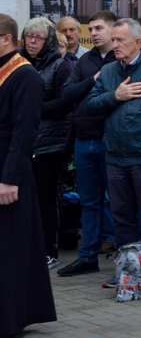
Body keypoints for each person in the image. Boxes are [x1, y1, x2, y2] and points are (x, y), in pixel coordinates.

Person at [82, 20, 141, 253]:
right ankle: (128, 273)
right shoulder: (108, 71)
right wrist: (116, 95)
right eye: (113, 40)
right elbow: (90, 106)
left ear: (138, 42)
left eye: (120, 40)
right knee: (122, 216)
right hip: (115, 157)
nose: (114, 45)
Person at [0, 13, 57, 338]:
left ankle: (10, 318)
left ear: (6, 39)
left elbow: (24, 133)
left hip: (11, 173)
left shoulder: (25, 77)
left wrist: (10, 178)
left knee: (10, 248)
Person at [57, 11, 118, 278]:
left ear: (113, 29)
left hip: (112, 141)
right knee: (89, 201)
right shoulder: (85, 60)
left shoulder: (122, 59)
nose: (93, 33)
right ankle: (87, 256)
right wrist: (92, 80)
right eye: (91, 29)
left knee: (117, 201)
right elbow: (67, 93)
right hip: (85, 140)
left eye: (99, 28)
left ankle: (123, 254)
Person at [21, 18, 76, 268]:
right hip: (24, 139)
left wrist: (31, 110)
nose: (32, 41)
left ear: (49, 41)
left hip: (50, 142)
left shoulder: (60, 65)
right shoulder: (19, 63)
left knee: (45, 197)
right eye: (29, 36)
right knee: (22, 197)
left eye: (38, 37)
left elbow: (64, 103)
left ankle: (48, 249)